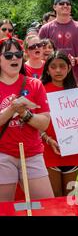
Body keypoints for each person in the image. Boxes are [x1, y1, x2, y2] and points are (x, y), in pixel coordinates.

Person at [0, 37, 54, 201]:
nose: (14, 58)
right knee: (4, 209)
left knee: (46, 207)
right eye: (8, 55)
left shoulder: (35, 84)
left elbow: (44, 123)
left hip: (32, 154)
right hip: (2, 154)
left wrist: (25, 113)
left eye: (17, 54)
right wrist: (12, 109)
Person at [40, 51, 78, 197]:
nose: (58, 70)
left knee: (71, 196)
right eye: (53, 66)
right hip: (48, 148)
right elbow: (33, 121)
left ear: (69, 68)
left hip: (73, 150)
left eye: (62, 66)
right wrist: (46, 138)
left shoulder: (76, 91)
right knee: (55, 195)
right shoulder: (40, 89)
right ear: (47, 69)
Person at [38, 0, 78, 87]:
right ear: (54, 7)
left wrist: (75, 60)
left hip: (75, 77)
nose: (65, 5)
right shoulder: (45, 29)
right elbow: (39, 54)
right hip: (52, 79)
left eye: (68, 4)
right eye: (61, 3)